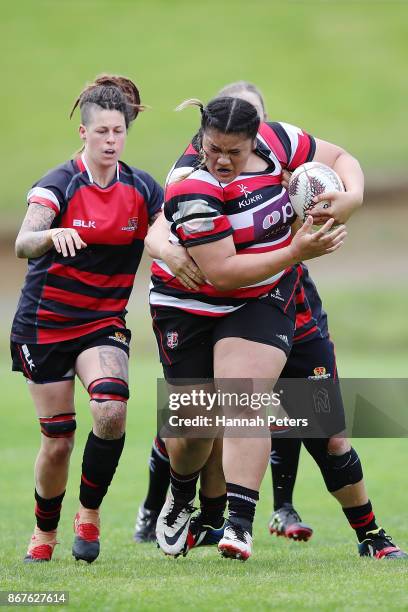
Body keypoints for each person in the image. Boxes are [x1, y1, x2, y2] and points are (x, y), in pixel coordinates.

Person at [144, 83, 407, 562]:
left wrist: (353, 198)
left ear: (257, 132)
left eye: (235, 151)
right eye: (214, 149)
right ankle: (181, 498)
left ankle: (247, 527)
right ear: (202, 137)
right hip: (191, 306)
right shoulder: (191, 183)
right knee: (198, 428)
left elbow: (342, 156)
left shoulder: (278, 141)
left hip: (265, 297)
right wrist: (294, 251)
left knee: (281, 411)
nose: (222, 160)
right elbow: (220, 273)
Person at [10, 75, 163, 563]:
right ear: (84, 133)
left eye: (118, 131)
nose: (111, 141)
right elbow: (23, 241)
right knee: (58, 441)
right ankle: (44, 530)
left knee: (111, 411)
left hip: (102, 322)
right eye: (102, 132)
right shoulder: (59, 184)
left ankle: (90, 513)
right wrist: (53, 236)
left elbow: (170, 234)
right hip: (46, 323)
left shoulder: (142, 189)